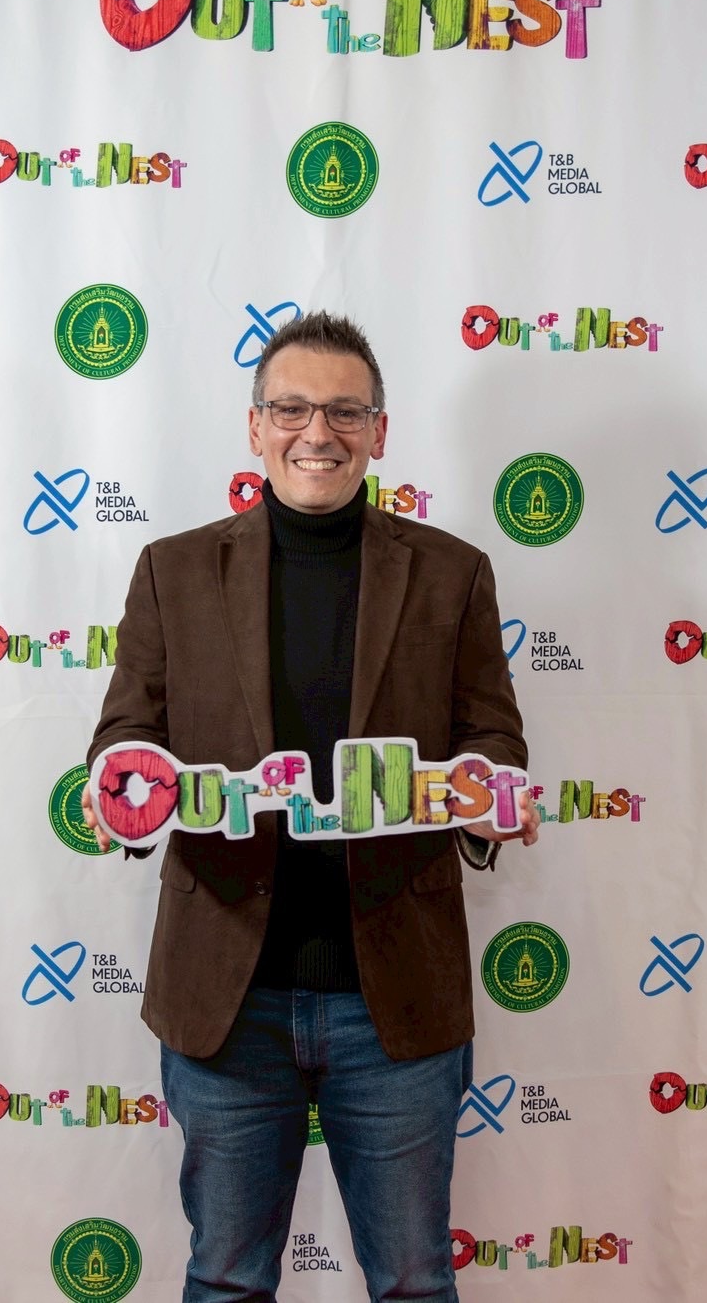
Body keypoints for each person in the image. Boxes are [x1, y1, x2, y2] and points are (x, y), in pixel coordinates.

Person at [83, 311, 537, 1303]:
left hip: (396, 997)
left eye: (344, 412)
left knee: (414, 1281)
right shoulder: (173, 570)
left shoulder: (452, 572)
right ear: (256, 428)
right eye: (291, 409)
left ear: (380, 431)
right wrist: (120, 787)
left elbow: (494, 736)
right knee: (227, 1280)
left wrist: (487, 795)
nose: (317, 433)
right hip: (227, 997)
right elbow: (125, 735)